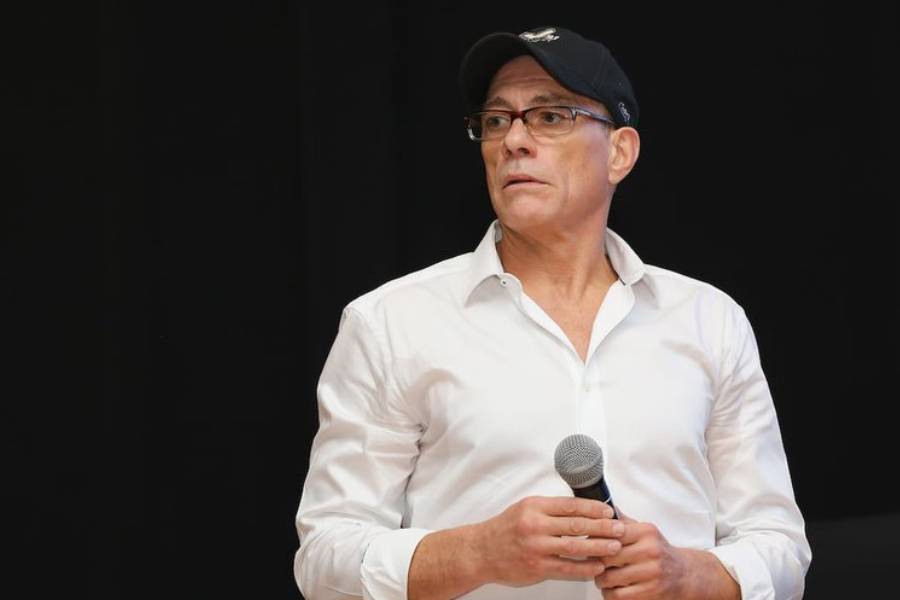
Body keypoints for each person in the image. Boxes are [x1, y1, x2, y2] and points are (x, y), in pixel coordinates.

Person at [294, 25, 811, 600]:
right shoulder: (390, 323)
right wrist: (478, 553)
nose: (514, 140)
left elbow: (779, 546)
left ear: (620, 152)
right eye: (496, 120)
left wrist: (689, 575)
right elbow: (325, 558)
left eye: (549, 116)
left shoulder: (709, 320)